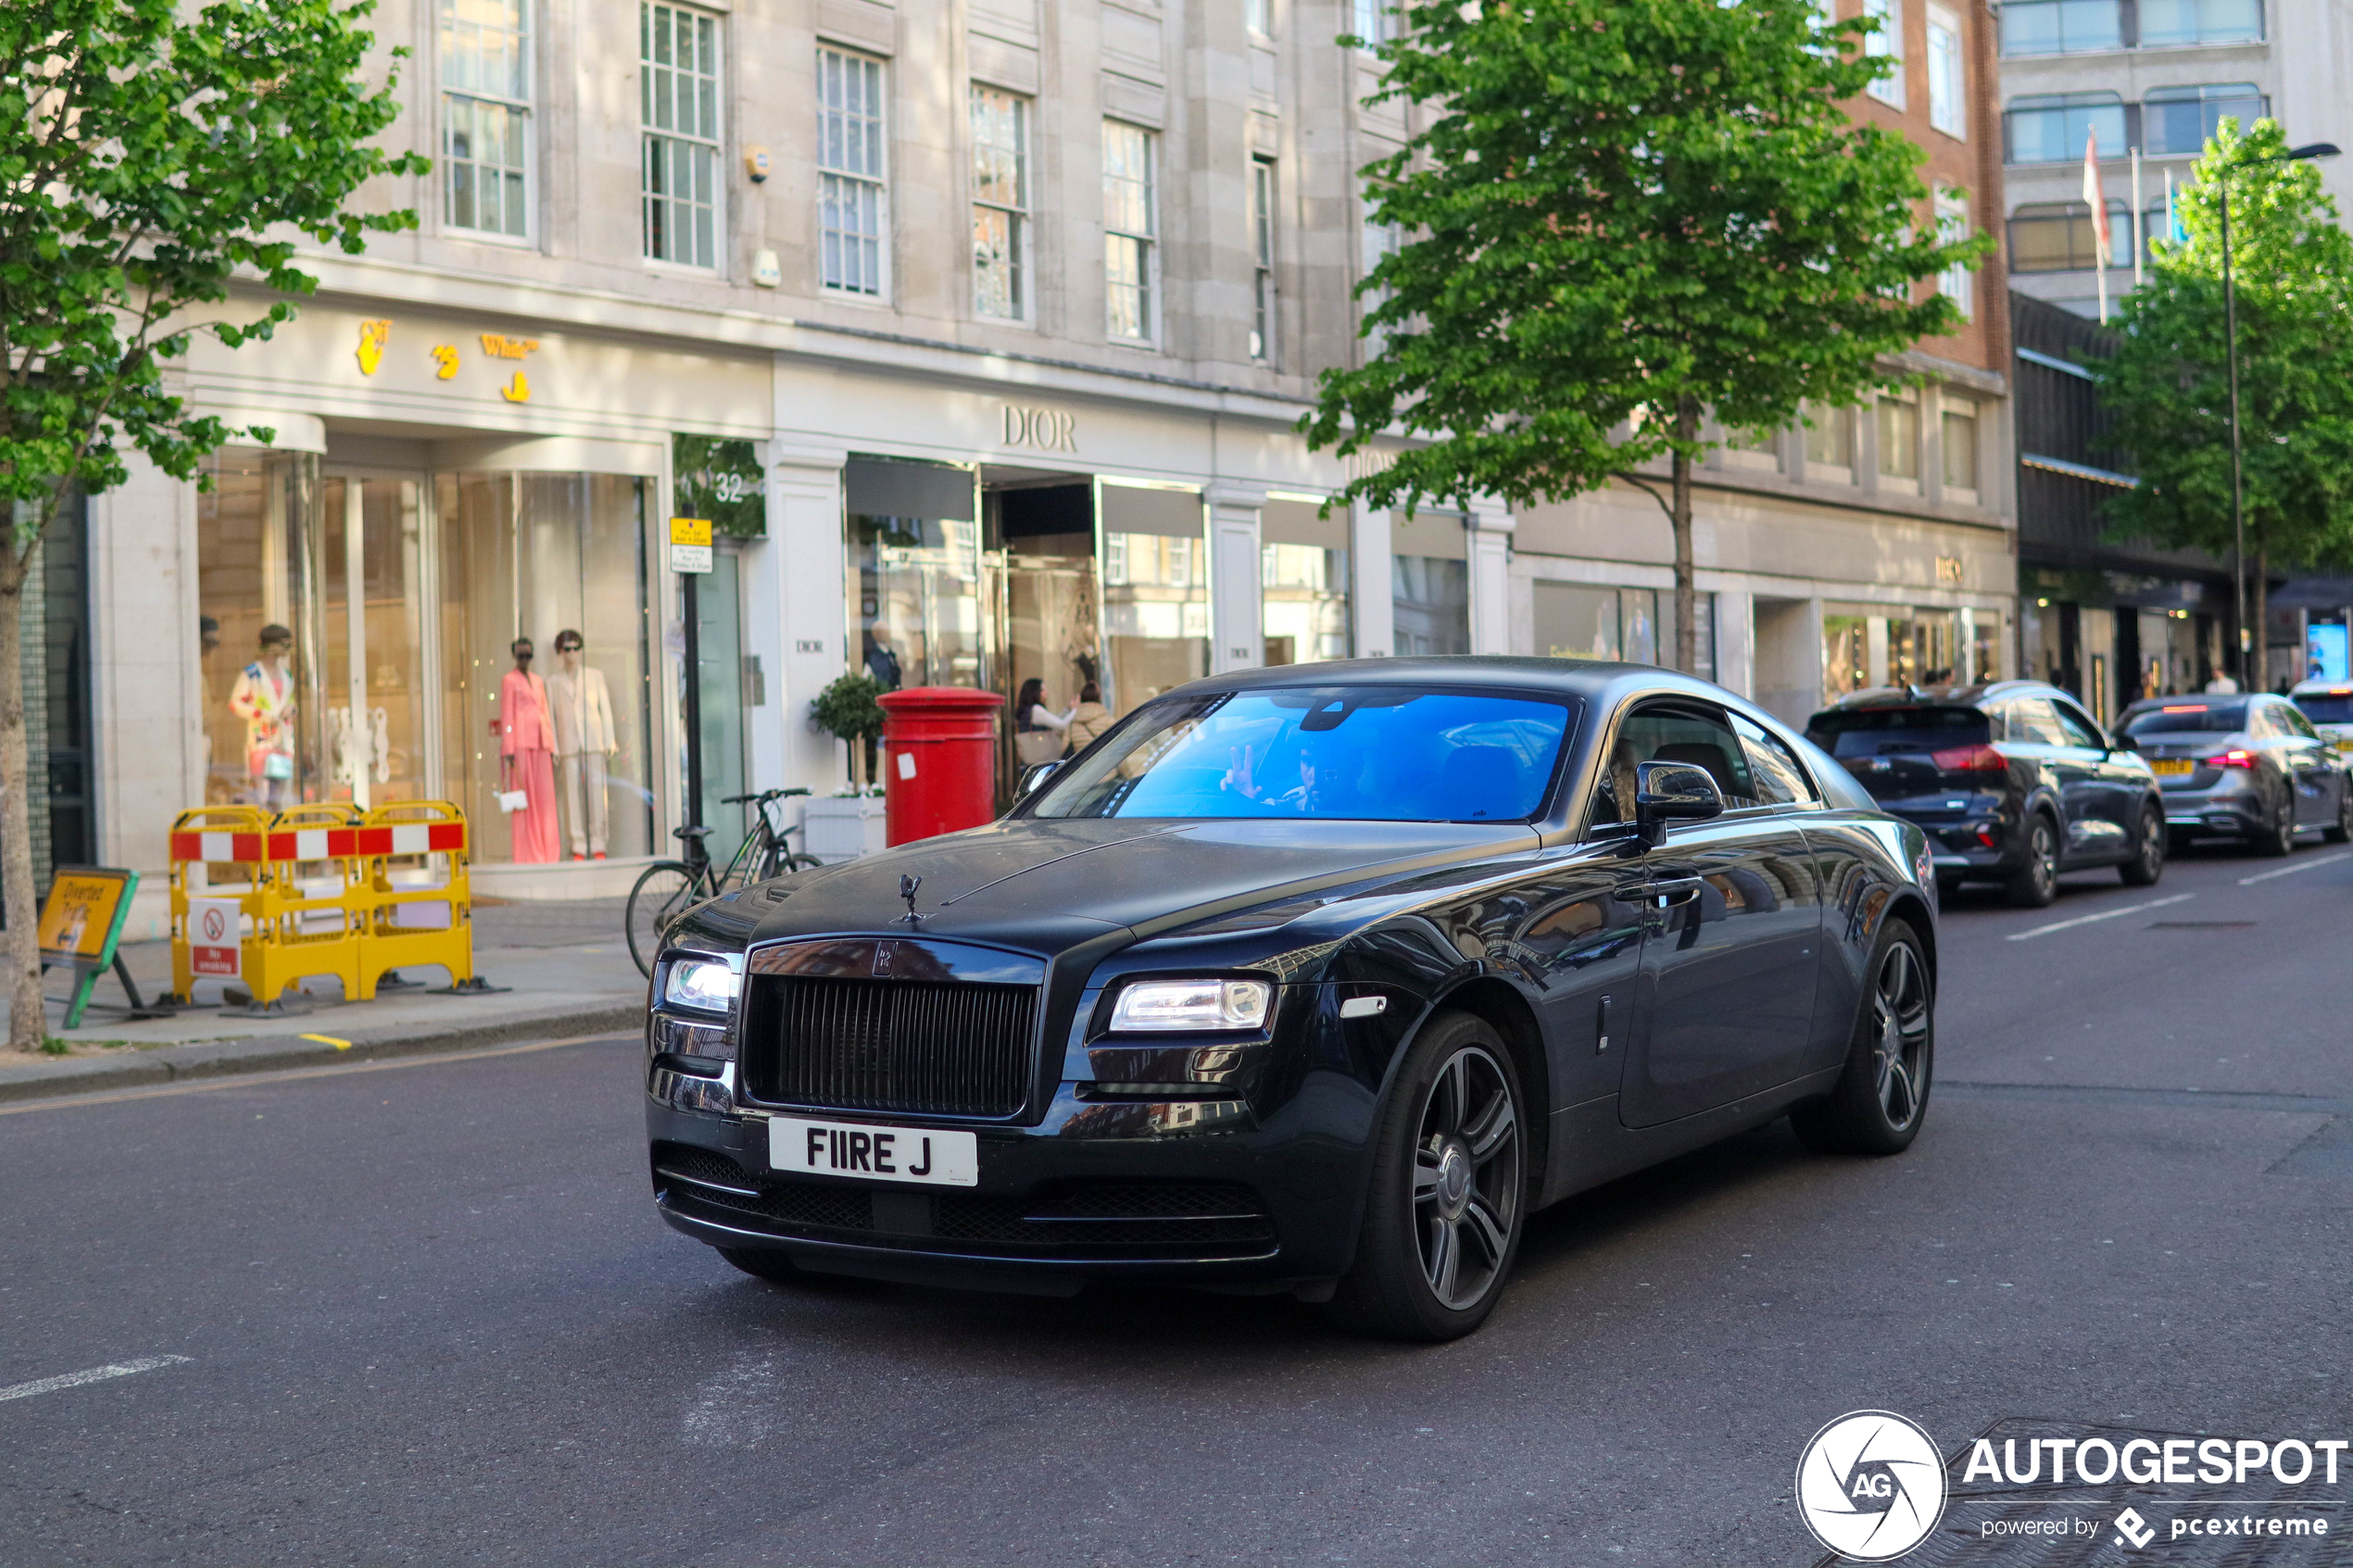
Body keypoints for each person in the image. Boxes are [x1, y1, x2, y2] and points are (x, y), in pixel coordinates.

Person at [546, 629, 619, 860]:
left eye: (576, 648)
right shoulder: (553, 681)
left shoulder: (594, 676)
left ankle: (598, 844)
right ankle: (577, 845)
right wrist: (554, 746)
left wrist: (610, 739)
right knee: (571, 797)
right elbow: (550, 717)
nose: (572, 653)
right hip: (568, 744)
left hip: (593, 741)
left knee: (597, 794)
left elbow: (605, 709)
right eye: (567, 649)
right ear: (560, 651)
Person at [497, 637, 560, 863]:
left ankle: (549, 851)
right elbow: (507, 715)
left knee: (545, 799)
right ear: (515, 656)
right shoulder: (509, 680)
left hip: (541, 741)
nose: (525, 660)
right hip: (521, 744)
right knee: (526, 799)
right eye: (521, 655)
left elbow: (545, 711)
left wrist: (551, 744)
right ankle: (528, 853)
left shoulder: (538, 680)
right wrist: (509, 747)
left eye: (528, 655)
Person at [229, 623, 298, 809]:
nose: (287, 649)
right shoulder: (252, 673)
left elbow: (291, 701)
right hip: (261, 738)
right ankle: (261, 829)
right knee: (260, 792)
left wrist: (291, 709)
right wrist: (261, 714)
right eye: (284, 644)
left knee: (279, 794)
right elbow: (235, 703)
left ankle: (275, 831)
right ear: (271, 645)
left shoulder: (287, 675)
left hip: (282, 739)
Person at [1013, 676, 1074, 765]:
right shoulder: (1036, 709)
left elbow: (1054, 721)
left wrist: (1068, 709)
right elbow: (1062, 725)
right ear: (1035, 693)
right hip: (1042, 759)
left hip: (1031, 760)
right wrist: (1075, 710)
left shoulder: (1027, 710)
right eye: (1043, 690)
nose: (1046, 692)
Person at [1066, 681, 1114, 751]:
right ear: (1099, 698)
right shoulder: (1107, 721)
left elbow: (1064, 747)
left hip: (1082, 762)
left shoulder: (1072, 725)